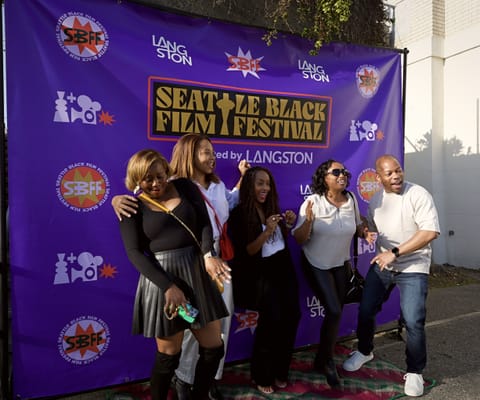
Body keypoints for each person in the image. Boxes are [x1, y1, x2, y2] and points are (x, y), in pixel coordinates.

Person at [113, 134, 249, 400]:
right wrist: (169, 287)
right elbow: (133, 253)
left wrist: (209, 254)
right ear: (135, 180)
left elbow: (203, 224)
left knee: (213, 347)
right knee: (169, 354)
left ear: (167, 171)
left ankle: (197, 394)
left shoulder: (185, 187)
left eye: (160, 176)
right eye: (147, 179)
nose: (155, 183)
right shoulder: (131, 206)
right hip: (164, 286)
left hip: (196, 277)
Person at [342, 154, 440, 397]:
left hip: (413, 266)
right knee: (365, 310)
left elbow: (429, 232)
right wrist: (365, 230)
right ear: (379, 178)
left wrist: (394, 253)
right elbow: (374, 230)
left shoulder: (418, 194)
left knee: (413, 319)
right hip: (385, 265)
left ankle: (415, 371)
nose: (396, 176)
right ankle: (365, 351)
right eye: (389, 173)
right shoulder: (375, 201)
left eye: (398, 171)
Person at [291, 159, 374, 387]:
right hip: (315, 262)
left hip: (341, 263)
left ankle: (322, 359)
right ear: (324, 177)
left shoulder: (352, 200)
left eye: (344, 172)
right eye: (336, 172)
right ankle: (326, 361)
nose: (342, 175)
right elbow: (299, 239)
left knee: (335, 313)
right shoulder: (313, 202)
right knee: (335, 310)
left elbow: (356, 226)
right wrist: (308, 221)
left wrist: (363, 232)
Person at [227, 166, 301, 395]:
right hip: (261, 275)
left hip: (284, 268)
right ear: (250, 185)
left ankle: (281, 371)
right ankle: (261, 375)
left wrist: (286, 224)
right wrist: (267, 231)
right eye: (260, 183)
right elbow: (248, 251)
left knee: (292, 317)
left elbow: (278, 243)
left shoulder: (271, 207)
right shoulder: (239, 214)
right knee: (270, 324)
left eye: (267, 184)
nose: (265, 188)